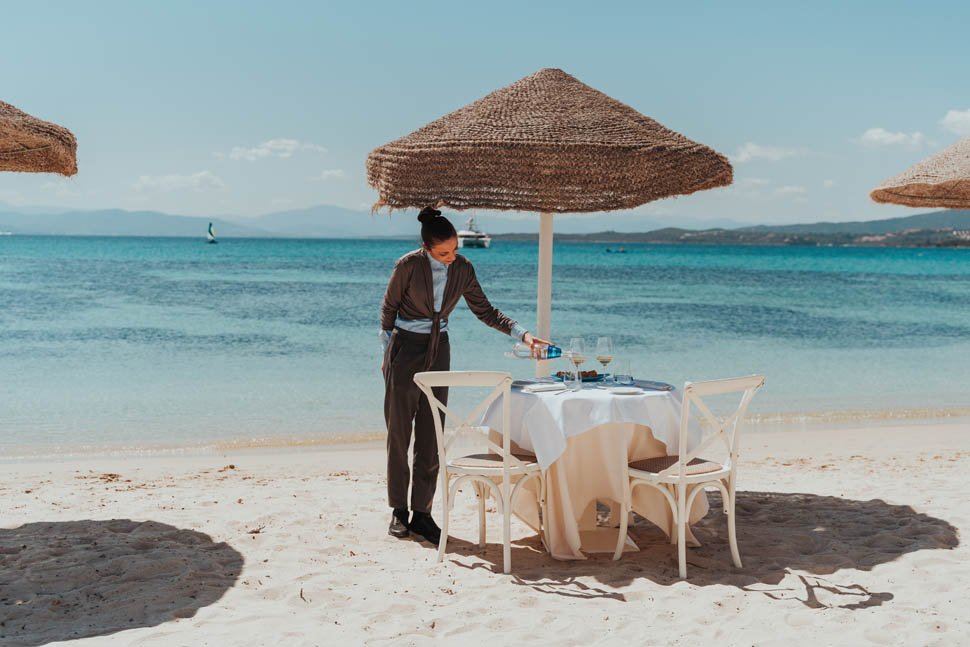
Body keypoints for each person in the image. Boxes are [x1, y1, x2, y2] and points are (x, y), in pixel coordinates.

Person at [380, 207, 549, 544]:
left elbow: (485, 310)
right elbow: (388, 311)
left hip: (438, 348)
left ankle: (422, 513)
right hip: (404, 349)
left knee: (431, 433)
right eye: (444, 253)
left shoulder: (464, 268)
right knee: (399, 433)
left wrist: (524, 335)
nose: (451, 257)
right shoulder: (408, 266)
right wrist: (387, 355)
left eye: (455, 249)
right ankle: (398, 510)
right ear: (427, 249)